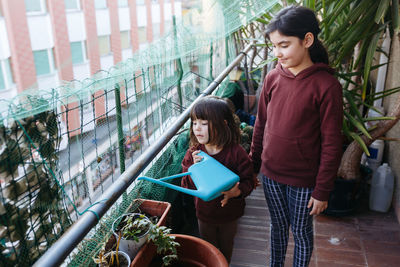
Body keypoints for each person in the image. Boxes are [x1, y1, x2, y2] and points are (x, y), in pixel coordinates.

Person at [249, 5, 343, 267]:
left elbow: (332, 143)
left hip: (304, 181)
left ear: (307, 40)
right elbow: (261, 124)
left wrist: (322, 189)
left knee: (301, 232)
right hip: (270, 175)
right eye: (274, 46)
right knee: (277, 228)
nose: (277, 53)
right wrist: (254, 165)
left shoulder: (327, 86)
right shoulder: (271, 78)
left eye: (284, 45)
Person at [181, 95, 254, 263]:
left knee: (226, 247)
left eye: (204, 124)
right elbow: (185, 184)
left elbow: (249, 181)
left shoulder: (236, 153)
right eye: (194, 123)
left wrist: (237, 191)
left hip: (230, 214)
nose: (197, 128)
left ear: (223, 124)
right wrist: (193, 169)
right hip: (204, 214)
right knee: (209, 249)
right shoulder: (194, 153)